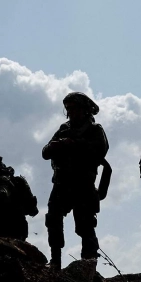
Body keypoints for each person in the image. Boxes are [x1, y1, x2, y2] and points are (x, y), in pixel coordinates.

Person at [42, 92, 109, 270]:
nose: (71, 112)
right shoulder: (64, 129)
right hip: (61, 184)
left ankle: (88, 266)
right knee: (53, 220)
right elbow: (45, 152)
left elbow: (100, 150)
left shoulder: (94, 130)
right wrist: (55, 146)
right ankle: (55, 261)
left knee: (86, 226)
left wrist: (75, 144)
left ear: (85, 110)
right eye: (68, 109)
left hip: (83, 186)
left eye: (74, 108)